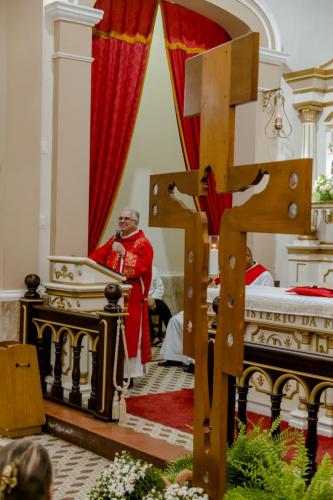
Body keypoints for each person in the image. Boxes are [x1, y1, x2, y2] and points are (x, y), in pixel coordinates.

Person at [159, 247, 274, 371]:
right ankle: (175, 357)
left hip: (235, 314)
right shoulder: (232, 271)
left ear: (248, 257)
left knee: (200, 326)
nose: (234, 263)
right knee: (177, 320)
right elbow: (216, 288)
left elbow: (263, 299)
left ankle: (197, 362)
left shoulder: (263, 275)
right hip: (213, 309)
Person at [90, 208, 153, 379]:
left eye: (127, 218)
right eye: (121, 218)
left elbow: (142, 268)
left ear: (135, 223)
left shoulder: (143, 243)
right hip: (111, 295)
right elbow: (99, 256)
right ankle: (111, 370)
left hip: (131, 296)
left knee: (129, 335)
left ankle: (127, 375)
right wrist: (85, 264)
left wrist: (124, 253)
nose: (122, 221)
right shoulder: (114, 239)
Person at [148, 266, 172, 345]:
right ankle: (153, 337)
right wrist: (147, 300)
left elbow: (160, 288)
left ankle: (172, 334)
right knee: (144, 312)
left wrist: (153, 299)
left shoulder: (154, 269)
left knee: (164, 308)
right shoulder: (138, 269)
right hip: (143, 300)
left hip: (154, 298)